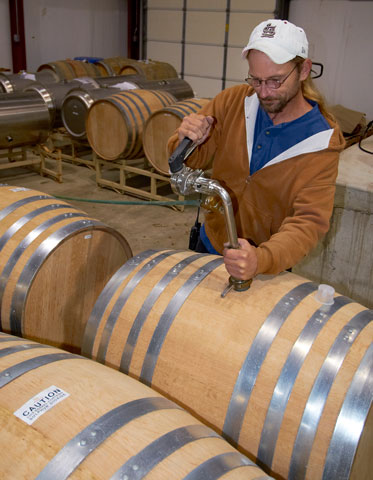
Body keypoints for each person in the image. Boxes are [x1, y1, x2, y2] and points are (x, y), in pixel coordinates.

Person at [168, 18, 345, 282]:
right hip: (210, 241)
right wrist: (186, 139)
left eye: (275, 81)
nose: (264, 92)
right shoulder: (234, 102)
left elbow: (308, 222)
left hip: (263, 264)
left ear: (304, 70)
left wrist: (261, 259)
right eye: (256, 80)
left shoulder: (319, 142)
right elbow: (187, 163)